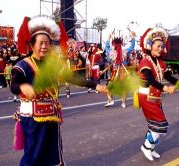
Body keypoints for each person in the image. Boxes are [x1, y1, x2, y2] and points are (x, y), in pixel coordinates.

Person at [11, 15, 107, 166]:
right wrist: (23, 87)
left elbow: (73, 78)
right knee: (33, 157)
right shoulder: (23, 65)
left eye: (47, 43)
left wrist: (96, 85)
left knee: (53, 156)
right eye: (41, 43)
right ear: (32, 45)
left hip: (52, 118)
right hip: (32, 120)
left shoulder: (52, 65)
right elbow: (14, 85)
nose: (44, 46)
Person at [137, 27, 177, 161]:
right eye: (158, 46)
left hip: (156, 97)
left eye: (162, 46)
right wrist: (166, 88)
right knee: (161, 125)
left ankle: (151, 148)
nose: (160, 48)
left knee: (154, 125)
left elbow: (169, 77)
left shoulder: (161, 63)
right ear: (150, 45)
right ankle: (146, 146)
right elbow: (150, 80)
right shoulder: (145, 61)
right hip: (146, 96)